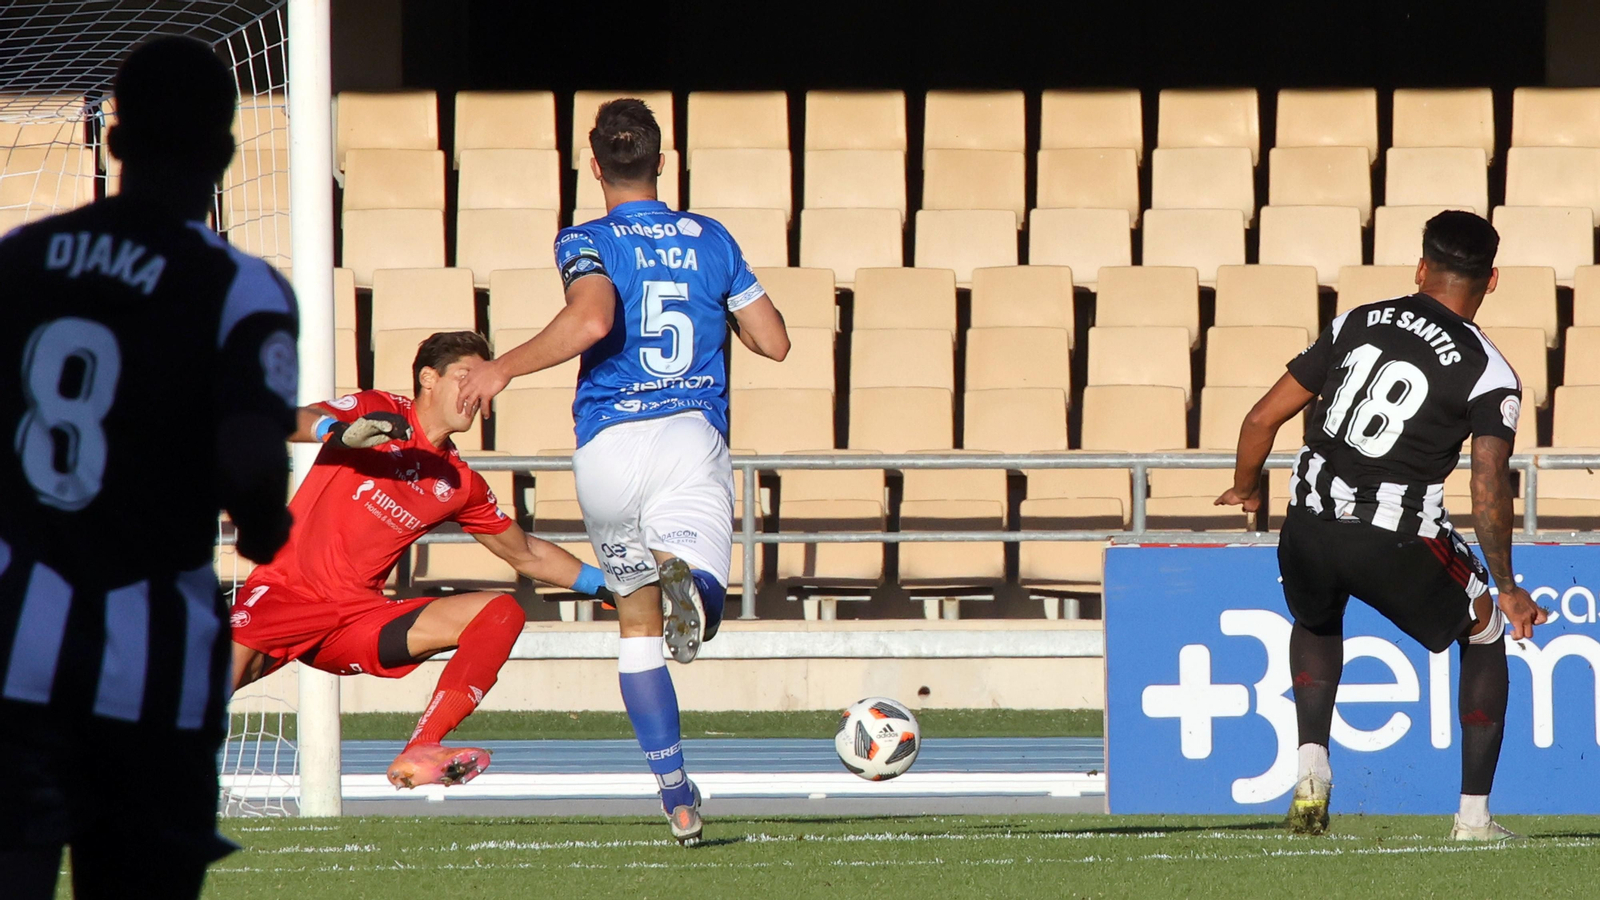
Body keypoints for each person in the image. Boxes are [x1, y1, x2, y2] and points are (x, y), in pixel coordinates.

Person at [0, 37, 299, 899]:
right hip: (149, 657)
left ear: (115, 144)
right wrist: (267, 524)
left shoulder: (18, 261)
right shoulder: (238, 285)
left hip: (11, 637)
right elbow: (248, 464)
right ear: (224, 152)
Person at [456, 98, 790, 844]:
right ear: (663, 162)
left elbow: (593, 317)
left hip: (605, 447)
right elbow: (774, 342)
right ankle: (693, 587)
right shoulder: (712, 238)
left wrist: (501, 369)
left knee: (635, 626)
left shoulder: (586, 238)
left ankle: (676, 795)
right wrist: (723, 300)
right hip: (686, 432)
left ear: (596, 163)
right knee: (697, 596)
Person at [1217, 210, 1546, 841]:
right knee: (1484, 630)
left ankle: (1312, 771)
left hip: (1306, 524)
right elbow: (1486, 484)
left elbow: (1261, 419)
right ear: (1492, 280)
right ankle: (1473, 819)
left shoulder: (1356, 320)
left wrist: (1245, 483)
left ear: (1421, 268)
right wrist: (1504, 583)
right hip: (1395, 533)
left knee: (1316, 618)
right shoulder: (1488, 369)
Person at [231, 331, 614, 788]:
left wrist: (608, 586)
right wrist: (333, 432)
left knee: (500, 612)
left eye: (486, 381)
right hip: (286, 592)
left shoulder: (457, 481)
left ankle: (422, 745)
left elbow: (526, 553)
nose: (478, 391)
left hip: (355, 621)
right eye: (465, 376)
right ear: (428, 378)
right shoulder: (380, 410)